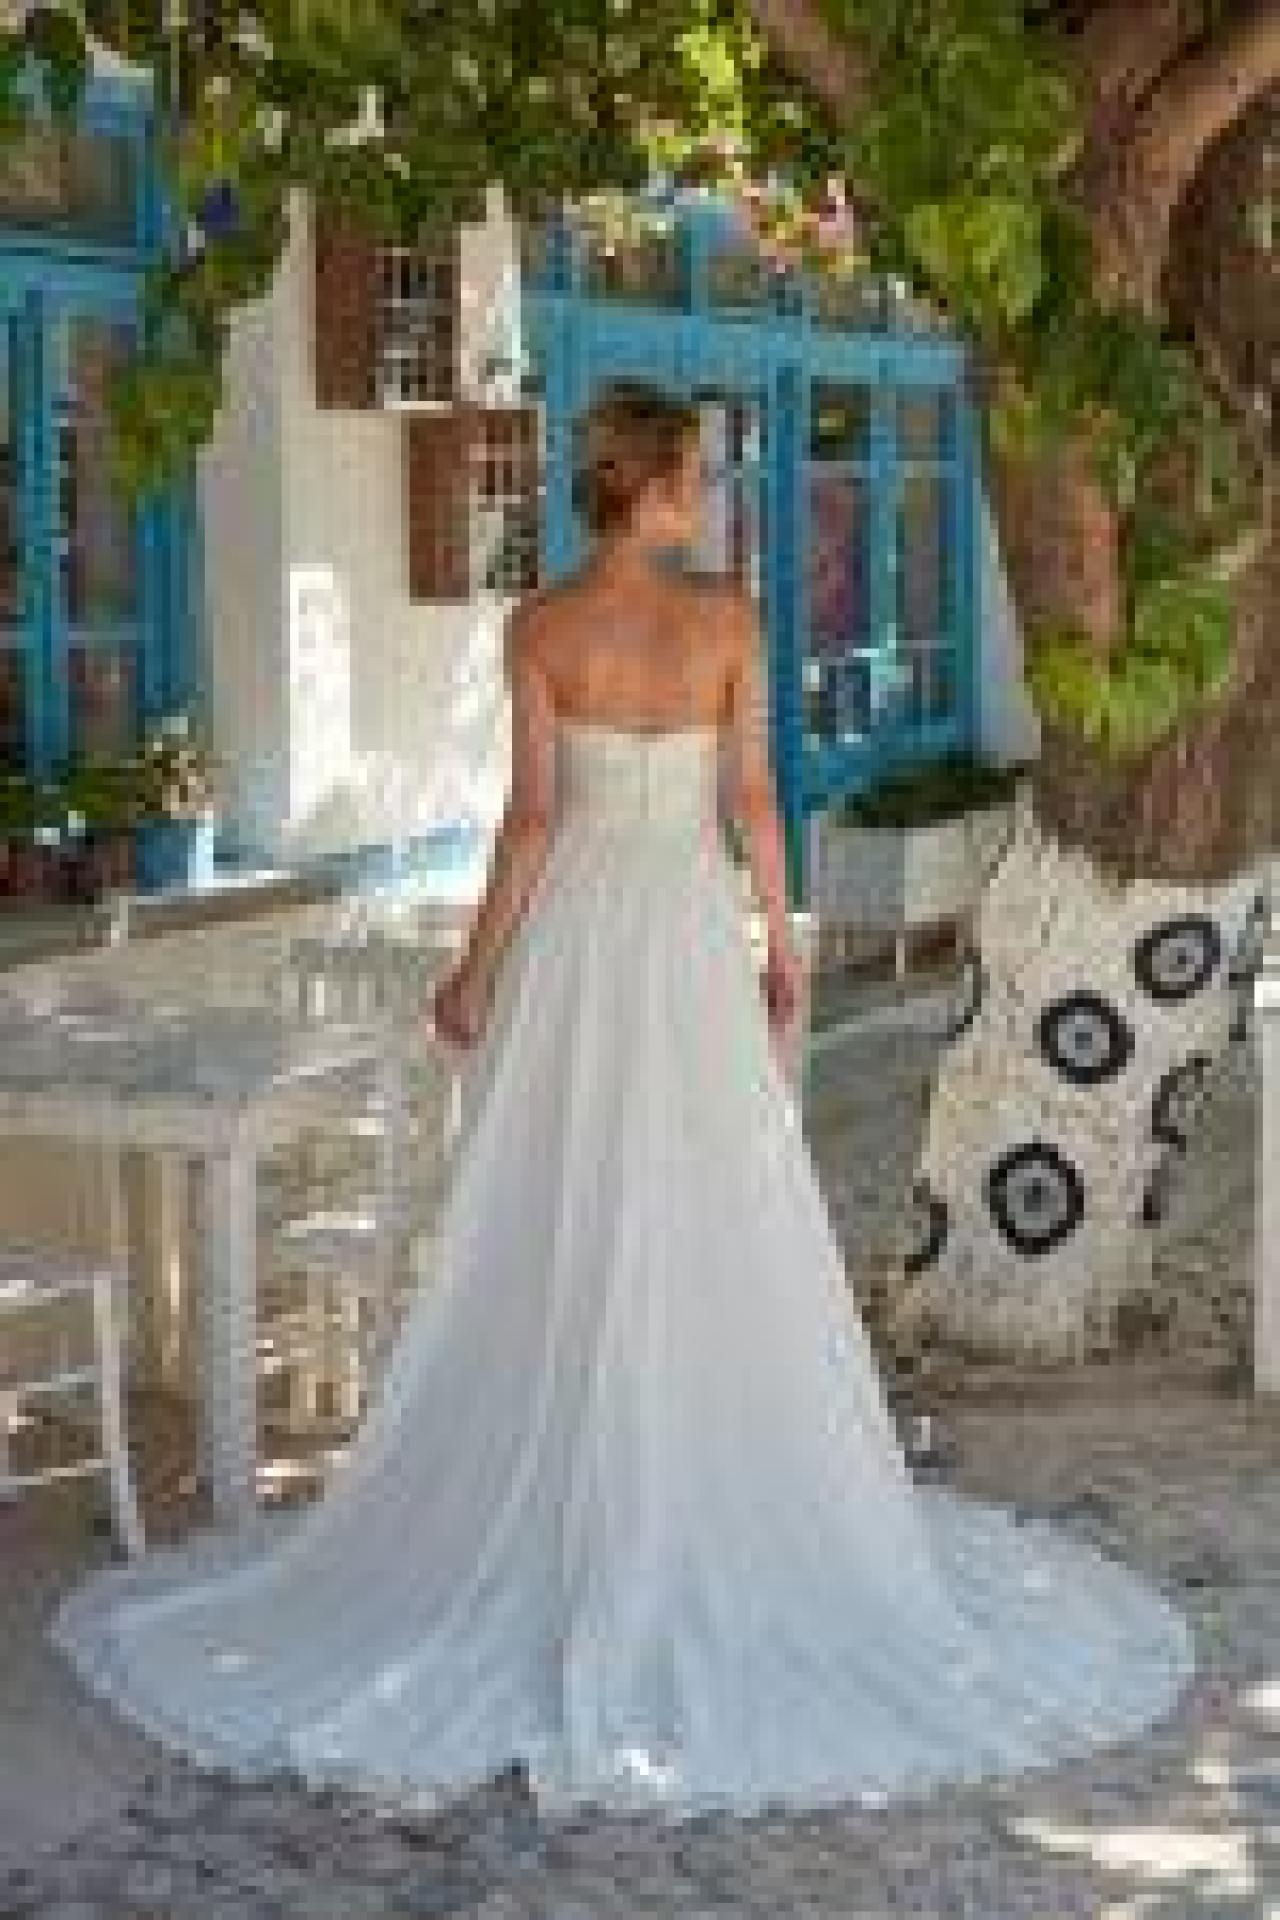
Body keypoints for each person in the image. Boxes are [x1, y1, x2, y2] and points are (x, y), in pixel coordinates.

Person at [50, 380, 1195, 1824]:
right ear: (647, 485)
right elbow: (754, 801)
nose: (706, 495)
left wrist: (475, 974)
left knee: (562, 1194)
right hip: (684, 935)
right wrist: (781, 945)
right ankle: (674, 1482)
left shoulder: (541, 626)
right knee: (707, 1195)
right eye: (693, 475)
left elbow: (533, 823)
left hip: (582, 940)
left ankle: (576, 1482)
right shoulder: (726, 622)